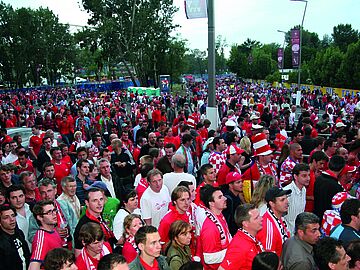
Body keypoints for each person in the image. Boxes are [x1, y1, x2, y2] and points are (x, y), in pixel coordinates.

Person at [28, 178, 77, 249]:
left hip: (70, 247)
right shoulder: (36, 214)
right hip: (52, 252)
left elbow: (75, 224)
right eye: (43, 192)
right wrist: (51, 233)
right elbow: (31, 237)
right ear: (40, 194)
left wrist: (69, 231)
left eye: (49, 191)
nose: (47, 195)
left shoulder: (64, 205)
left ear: (55, 190)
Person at [219, 204, 264, 270]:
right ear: (245, 223)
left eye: (259, 215)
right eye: (256, 218)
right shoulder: (239, 247)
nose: (261, 219)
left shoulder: (252, 236)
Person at [73, 187, 116, 257]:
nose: (99, 203)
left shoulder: (100, 217)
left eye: (101, 199)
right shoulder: (83, 225)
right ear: (87, 203)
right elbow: (78, 253)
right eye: (95, 200)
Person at [198, 185, 231, 270]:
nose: (225, 198)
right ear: (211, 203)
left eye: (223, 195)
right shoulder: (210, 228)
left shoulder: (219, 215)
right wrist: (233, 250)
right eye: (220, 197)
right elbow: (209, 258)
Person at [256, 187, 291, 257]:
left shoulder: (279, 217)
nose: (287, 202)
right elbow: (267, 258)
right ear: (272, 204)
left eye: (286, 198)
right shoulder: (267, 228)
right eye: (282, 200)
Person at [29, 200, 63, 270]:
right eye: (49, 212)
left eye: (54, 210)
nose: (54, 214)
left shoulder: (53, 230)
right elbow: (33, 267)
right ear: (40, 217)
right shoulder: (41, 238)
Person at [314, 155, 346, 219]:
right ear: (342, 168)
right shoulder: (336, 186)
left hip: (317, 216)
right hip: (329, 220)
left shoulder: (318, 179)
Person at [0, 204, 31, 270]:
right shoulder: (1, 242)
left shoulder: (19, 233)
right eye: (6, 217)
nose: (11, 219)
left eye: (13, 216)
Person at [283, 163, 310, 235]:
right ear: (295, 176)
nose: (308, 178)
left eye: (308, 175)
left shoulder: (303, 189)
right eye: (304, 176)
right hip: (288, 233)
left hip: (298, 232)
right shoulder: (287, 191)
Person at [222, 172, 246, 236]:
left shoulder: (237, 196)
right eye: (238, 182)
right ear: (230, 185)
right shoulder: (227, 200)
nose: (241, 184)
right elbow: (227, 221)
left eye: (241, 181)